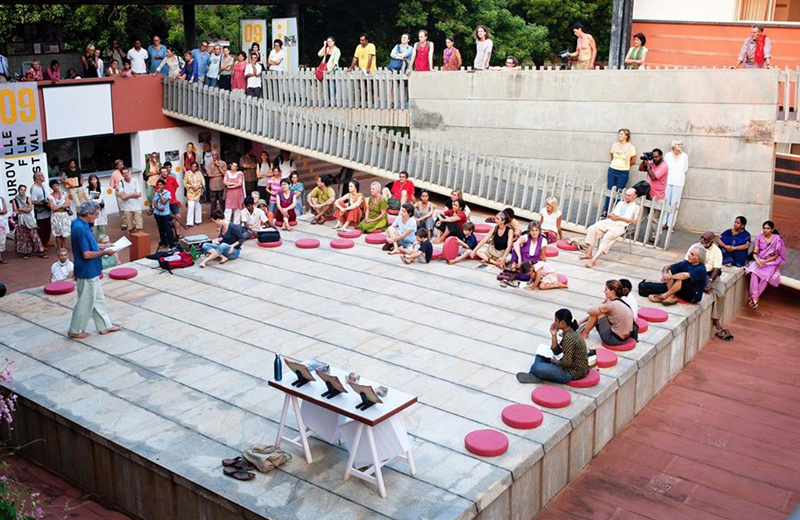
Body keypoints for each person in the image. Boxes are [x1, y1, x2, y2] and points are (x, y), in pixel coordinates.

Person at [68, 200, 119, 339]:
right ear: (88, 214)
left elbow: (88, 245)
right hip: (87, 271)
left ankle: (104, 325)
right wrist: (105, 252)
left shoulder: (78, 224)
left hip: (91, 270)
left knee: (98, 299)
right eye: (95, 214)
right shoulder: (81, 228)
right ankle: (75, 329)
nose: (97, 217)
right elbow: (86, 254)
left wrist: (101, 246)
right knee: (86, 301)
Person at [517, 309, 589, 384]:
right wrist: (553, 335)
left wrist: (556, 362)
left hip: (571, 372)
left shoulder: (569, 337)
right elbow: (557, 351)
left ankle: (535, 373)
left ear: (562, 322)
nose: (554, 323)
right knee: (540, 355)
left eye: (556, 320)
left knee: (536, 367)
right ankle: (536, 373)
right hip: (567, 363)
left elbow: (566, 363)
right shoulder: (569, 332)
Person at [581, 188, 640, 268]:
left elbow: (634, 221)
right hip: (610, 221)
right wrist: (611, 215)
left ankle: (594, 259)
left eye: (629, 195)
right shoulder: (620, 203)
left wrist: (620, 218)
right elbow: (611, 213)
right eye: (625, 194)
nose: (626, 197)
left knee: (607, 237)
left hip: (621, 225)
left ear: (634, 196)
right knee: (592, 228)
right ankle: (589, 253)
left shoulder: (636, 207)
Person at [689, 232, 731, 340]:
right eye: (702, 237)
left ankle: (716, 320)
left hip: (710, 275)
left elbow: (717, 269)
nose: (702, 240)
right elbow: (686, 262)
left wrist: (710, 282)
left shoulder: (717, 251)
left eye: (706, 239)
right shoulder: (694, 247)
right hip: (696, 272)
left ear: (711, 242)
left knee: (720, 293)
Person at [744, 220, 786, 309]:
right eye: (764, 228)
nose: (765, 230)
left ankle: (754, 298)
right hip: (759, 259)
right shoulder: (759, 237)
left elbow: (776, 256)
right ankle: (755, 297)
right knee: (754, 274)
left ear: (772, 229)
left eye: (768, 228)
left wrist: (764, 262)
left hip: (771, 262)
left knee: (765, 278)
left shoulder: (777, 239)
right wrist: (758, 261)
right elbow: (755, 252)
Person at [579, 280, 635, 346]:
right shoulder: (620, 301)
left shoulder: (610, 305)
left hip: (614, 339)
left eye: (606, 290)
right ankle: (583, 328)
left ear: (613, 292)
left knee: (598, 313)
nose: (604, 292)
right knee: (600, 312)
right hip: (625, 337)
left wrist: (603, 303)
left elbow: (590, 311)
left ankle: (584, 333)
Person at [638, 148, 669, 240]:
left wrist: (648, 167)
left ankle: (656, 237)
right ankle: (629, 230)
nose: (654, 159)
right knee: (640, 215)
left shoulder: (664, 166)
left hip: (658, 196)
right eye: (653, 157)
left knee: (655, 219)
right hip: (647, 194)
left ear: (661, 156)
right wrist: (645, 161)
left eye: (656, 157)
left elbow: (653, 177)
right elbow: (640, 169)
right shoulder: (652, 163)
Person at [12, 186, 48, 260]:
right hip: (20, 220)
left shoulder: (28, 198)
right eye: (21, 190)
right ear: (18, 190)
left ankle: (40, 251)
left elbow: (30, 209)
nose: (23, 191)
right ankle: (26, 252)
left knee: (34, 235)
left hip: (29, 219)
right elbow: (15, 210)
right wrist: (24, 209)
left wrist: (21, 209)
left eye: (24, 190)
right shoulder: (14, 200)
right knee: (24, 237)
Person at [606, 129, 636, 212]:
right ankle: (606, 210)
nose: (620, 135)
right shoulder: (614, 145)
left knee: (620, 192)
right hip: (612, 170)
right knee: (609, 190)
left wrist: (624, 165)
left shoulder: (630, 147)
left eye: (622, 134)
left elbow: (633, 160)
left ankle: (616, 211)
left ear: (626, 136)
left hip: (623, 172)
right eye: (619, 134)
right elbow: (612, 156)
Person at [663, 140, 688, 229]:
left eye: (681, 144)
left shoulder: (684, 156)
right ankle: (663, 222)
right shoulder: (668, 155)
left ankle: (670, 224)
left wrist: (679, 174)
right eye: (678, 144)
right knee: (666, 200)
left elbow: (685, 168)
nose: (680, 146)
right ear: (673, 145)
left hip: (678, 181)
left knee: (675, 202)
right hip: (668, 180)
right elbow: (665, 167)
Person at [152, 178, 178, 250]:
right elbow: (154, 203)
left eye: (161, 185)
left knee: (168, 229)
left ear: (164, 186)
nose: (159, 186)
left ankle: (171, 244)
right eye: (158, 185)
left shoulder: (167, 193)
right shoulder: (156, 193)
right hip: (157, 213)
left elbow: (163, 201)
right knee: (161, 229)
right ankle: (163, 242)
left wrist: (160, 194)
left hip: (165, 214)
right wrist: (158, 207)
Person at [116, 168, 144, 233]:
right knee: (130, 227)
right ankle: (133, 241)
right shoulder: (121, 183)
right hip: (127, 208)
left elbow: (139, 194)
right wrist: (133, 193)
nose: (126, 174)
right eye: (124, 173)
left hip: (137, 206)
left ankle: (140, 241)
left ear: (130, 172)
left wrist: (127, 195)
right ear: (122, 175)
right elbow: (123, 197)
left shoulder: (135, 181)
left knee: (139, 226)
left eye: (127, 172)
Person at [47, 179, 71, 251]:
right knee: (58, 233)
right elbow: (52, 208)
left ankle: (63, 247)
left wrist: (59, 206)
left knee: (64, 232)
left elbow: (68, 204)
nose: (56, 187)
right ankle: (59, 248)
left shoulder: (64, 194)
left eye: (57, 185)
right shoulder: (50, 197)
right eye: (54, 186)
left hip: (64, 215)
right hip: (56, 216)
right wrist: (62, 205)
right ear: (52, 187)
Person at [29, 171, 52, 247]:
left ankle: (46, 241)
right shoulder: (34, 188)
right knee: (42, 228)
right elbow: (33, 201)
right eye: (42, 175)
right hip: (40, 212)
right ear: (37, 178)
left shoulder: (42, 186)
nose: (43, 177)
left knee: (47, 227)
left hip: (46, 210)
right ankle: (41, 244)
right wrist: (43, 203)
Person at [84, 174, 107, 239]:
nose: (93, 181)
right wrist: (92, 199)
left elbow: (99, 201)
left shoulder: (101, 188)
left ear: (97, 179)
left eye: (94, 179)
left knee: (101, 228)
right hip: (91, 211)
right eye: (91, 180)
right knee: (92, 229)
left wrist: (91, 199)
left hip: (100, 210)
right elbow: (86, 200)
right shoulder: (88, 189)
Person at [184, 161, 205, 227]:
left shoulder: (199, 173)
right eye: (192, 166)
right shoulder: (187, 173)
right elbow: (185, 183)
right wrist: (191, 186)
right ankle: (189, 222)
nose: (194, 168)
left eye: (195, 166)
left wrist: (199, 186)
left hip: (198, 193)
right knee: (191, 207)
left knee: (198, 207)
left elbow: (203, 183)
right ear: (190, 167)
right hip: (191, 193)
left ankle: (198, 221)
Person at [206, 150, 227, 214]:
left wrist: (218, 166)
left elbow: (224, 173)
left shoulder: (223, 163)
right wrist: (219, 175)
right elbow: (209, 175)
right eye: (213, 155)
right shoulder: (209, 164)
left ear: (218, 155)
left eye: (215, 155)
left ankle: (223, 213)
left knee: (221, 200)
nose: (214, 156)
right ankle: (213, 214)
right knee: (213, 200)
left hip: (220, 184)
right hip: (212, 185)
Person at [0, 195, 7, 264]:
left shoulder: (2, 199)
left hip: (1, 222)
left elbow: (5, 210)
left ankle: (0, 258)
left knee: (1, 240)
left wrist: (3, 211)